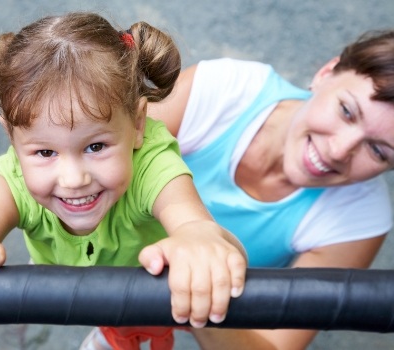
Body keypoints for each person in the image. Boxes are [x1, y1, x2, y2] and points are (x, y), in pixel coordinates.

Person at [0, 11, 247, 350]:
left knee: (193, 300)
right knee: (111, 326)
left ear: (138, 124)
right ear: (11, 137)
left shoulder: (152, 165)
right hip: (91, 286)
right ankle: (110, 333)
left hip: (153, 291)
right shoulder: (13, 179)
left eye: (95, 146)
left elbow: (190, 219)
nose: (73, 179)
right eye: (45, 153)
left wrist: (197, 236)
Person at [145, 29, 394, 349]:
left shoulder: (360, 216)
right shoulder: (223, 90)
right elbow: (97, 159)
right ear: (325, 74)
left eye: (378, 151)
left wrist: (202, 292)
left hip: (190, 320)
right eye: (346, 111)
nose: (338, 150)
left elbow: (275, 345)